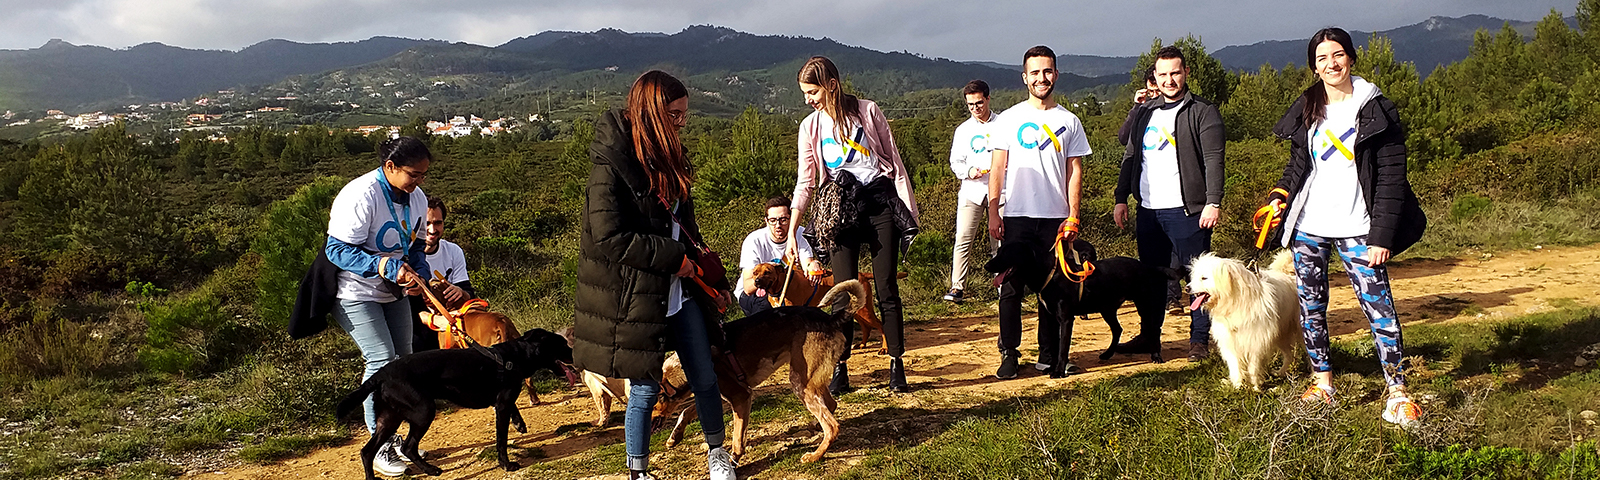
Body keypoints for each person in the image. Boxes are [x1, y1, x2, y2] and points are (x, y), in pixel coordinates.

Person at [569, 70, 738, 480]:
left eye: (684, 115)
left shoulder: (671, 155)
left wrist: (711, 279)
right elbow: (609, 237)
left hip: (682, 291)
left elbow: (687, 228)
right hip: (635, 295)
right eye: (675, 115)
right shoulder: (610, 164)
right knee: (644, 388)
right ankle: (638, 471)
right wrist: (672, 258)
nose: (681, 123)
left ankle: (718, 453)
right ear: (652, 112)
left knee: (704, 374)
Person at [1266, 27, 1427, 426]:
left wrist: (1382, 236)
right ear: (1313, 67)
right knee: (1312, 308)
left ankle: (1398, 391)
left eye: (1337, 55)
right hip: (1309, 227)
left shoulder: (1375, 108)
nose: (1330, 64)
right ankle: (1323, 384)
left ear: (1351, 58)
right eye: (1321, 59)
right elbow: (1299, 166)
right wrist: (1279, 194)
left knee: (1379, 309)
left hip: (1359, 226)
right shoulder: (1308, 106)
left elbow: (1391, 177)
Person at [787, 56, 919, 394]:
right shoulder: (810, 126)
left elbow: (894, 161)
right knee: (843, 294)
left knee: (887, 287)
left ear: (831, 84)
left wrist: (909, 211)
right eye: (804, 93)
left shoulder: (867, 111)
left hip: (878, 203)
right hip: (839, 208)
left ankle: (896, 363)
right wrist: (792, 231)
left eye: (812, 91)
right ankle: (839, 368)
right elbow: (807, 181)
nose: (808, 99)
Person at [324, 136, 433, 476]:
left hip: (393, 292)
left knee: (404, 360)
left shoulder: (417, 198)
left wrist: (421, 275)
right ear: (390, 167)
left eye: (423, 175)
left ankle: (394, 433)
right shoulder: (360, 195)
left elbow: (414, 247)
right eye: (413, 174)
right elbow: (336, 250)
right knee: (382, 359)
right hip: (354, 292)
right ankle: (379, 441)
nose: (419, 183)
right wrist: (384, 266)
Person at [1112, 45, 1227, 362]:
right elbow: (1131, 155)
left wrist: (1213, 201)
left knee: (1199, 279)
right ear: (1155, 77)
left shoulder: (1203, 111)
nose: (1169, 79)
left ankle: (1199, 341)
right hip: (1148, 210)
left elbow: (1215, 161)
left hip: (1189, 211)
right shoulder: (1145, 112)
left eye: (1175, 73)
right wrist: (1121, 198)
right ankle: (1151, 338)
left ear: (1186, 72)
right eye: (1163, 74)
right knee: (1151, 280)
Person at [987, 46, 1094, 379]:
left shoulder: (1069, 121)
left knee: (1054, 289)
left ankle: (1049, 356)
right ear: (1025, 78)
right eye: (1034, 72)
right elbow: (997, 168)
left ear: (1056, 75)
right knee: (1011, 287)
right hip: (1017, 216)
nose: (1041, 78)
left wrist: (1073, 213)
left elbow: (1074, 169)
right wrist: (994, 211)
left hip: (1055, 219)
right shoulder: (1009, 119)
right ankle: (1010, 353)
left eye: (1047, 71)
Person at [942, 80, 1001, 304]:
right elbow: (955, 162)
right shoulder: (963, 130)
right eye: (970, 104)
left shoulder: (1003, 124)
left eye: (978, 102)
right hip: (972, 190)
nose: (975, 108)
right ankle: (957, 286)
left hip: (1001, 191)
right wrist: (969, 171)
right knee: (963, 238)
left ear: (987, 98)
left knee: (999, 240)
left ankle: (1002, 286)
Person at [736, 196, 824, 315]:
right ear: (766, 221)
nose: (777, 225)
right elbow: (747, 288)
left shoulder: (800, 234)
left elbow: (806, 265)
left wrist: (813, 264)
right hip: (755, 293)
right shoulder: (754, 241)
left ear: (792, 219)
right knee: (768, 308)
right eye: (772, 220)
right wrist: (767, 273)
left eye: (783, 219)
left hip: (785, 289)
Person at [409, 196, 475, 352]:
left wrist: (460, 292)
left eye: (438, 223)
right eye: (427, 224)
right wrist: (433, 319)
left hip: (451, 321)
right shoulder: (405, 255)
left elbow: (469, 294)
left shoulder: (453, 251)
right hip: (418, 325)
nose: (432, 230)